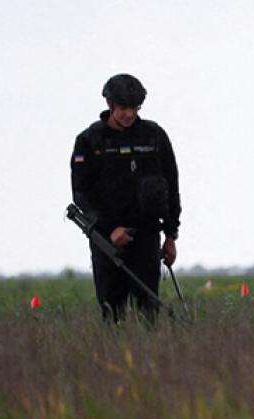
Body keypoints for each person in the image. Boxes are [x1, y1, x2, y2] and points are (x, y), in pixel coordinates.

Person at [71, 73, 181, 322]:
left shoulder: (154, 136)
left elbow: (172, 187)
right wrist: (109, 229)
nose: (129, 114)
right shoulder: (89, 141)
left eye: (134, 108)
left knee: (149, 313)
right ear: (110, 105)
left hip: (147, 238)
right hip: (107, 241)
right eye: (123, 108)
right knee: (112, 314)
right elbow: (81, 194)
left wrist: (171, 236)